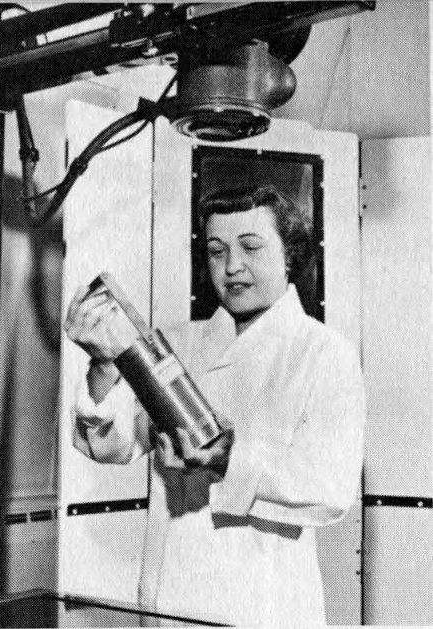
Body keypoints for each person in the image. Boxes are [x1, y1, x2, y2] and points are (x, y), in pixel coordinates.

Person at [65, 185, 366, 627]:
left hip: (264, 605)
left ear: (289, 255)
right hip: (169, 596)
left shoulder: (324, 353)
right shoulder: (177, 343)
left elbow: (331, 488)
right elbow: (111, 446)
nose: (232, 266)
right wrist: (103, 364)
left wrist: (228, 459)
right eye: (216, 250)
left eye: (250, 247)